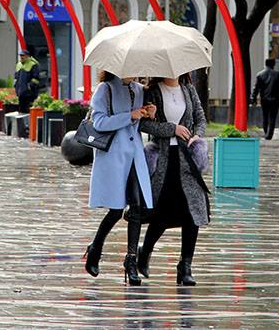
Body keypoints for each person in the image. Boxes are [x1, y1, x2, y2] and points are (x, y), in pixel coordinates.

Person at [83, 71, 155, 286]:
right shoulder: (105, 89)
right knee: (115, 210)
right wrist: (130, 116)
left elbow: (139, 122)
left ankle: (131, 261)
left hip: (134, 154)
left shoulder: (139, 90)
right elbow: (99, 123)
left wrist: (148, 113)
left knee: (136, 207)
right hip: (114, 155)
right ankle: (95, 248)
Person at [138, 74, 209, 286]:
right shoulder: (152, 91)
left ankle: (185, 266)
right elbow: (144, 124)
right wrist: (172, 129)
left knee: (192, 212)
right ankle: (145, 252)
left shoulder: (189, 89)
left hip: (188, 160)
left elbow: (200, 118)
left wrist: (197, 135)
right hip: (164, 160)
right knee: (162, 212)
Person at [250, 58, 279, 140]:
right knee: (272, 117)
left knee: (265, 117)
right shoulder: (278, 74)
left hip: (264, 99)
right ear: (273, 65)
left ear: (265, 64)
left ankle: (266, 132)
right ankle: (270, 135)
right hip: (275, 100)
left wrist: (253, 99)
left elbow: (256, 88)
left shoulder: (260, 74)